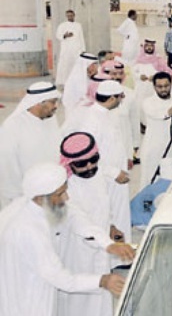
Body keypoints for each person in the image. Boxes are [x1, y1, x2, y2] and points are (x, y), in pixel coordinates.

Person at [0, 163, 134, 316]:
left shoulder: (31, 203)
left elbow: (76, 217)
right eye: (60, 193)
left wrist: (108, 244)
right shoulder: (29, 230)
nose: (66, 197)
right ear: (40, 197)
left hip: (36, 289)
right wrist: (103, 280)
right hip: (28, 301)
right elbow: (62, 278)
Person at [57, 132, 127, 316]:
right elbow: (79, 221)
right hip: (78, 251)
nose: (89, 166)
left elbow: (103, 205)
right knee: (81, 300)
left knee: (101, 298)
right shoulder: (66, 188)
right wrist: (108, 244)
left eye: (93, 159)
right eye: (81, 164)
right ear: (70, 164)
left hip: (102, 246)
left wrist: (111, 227)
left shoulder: (96, 175)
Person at [63, 80, 133, 242]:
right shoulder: (92, 120)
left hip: (116, 176)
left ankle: (122, 254)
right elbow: (86, 156)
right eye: (120, 97)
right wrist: (114, 172)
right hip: (105, 177)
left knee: (119, 213)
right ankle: (115, 256)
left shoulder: (105, 114)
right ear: (112, 98)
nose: (121, 100)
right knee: (110, 216)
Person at [0, 82, 62, 208]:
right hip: (25, 197)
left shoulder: (50, 119)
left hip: (52, 190)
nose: (56, 106)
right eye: (52, 102)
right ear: (38, 102)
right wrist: (17, 198)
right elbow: (8, 167)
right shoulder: (13, 127)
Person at [139, 72, 172, 190]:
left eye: (166, 85)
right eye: (160, 86)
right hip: (153, 149)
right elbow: (158, 114)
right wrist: (171, 112)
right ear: (154, 87)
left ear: (171, 85)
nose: (163, 89)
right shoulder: (148, 102)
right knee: (150, 182)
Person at [61, 52, 99, 117]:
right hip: (76, 113)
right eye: (92, 65)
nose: (95, 67)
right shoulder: (75, 79)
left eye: (95, 64)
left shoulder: (91, 77)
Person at [55, 10, 86, 87]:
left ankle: (77, 81)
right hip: (66, 49)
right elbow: (58, 36)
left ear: (74, 15)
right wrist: (65, 36)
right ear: (66, 16)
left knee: (77, 65)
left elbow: (81, 37)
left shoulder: (78, 25)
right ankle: (65, 81)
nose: (70, 17)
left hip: (77, 49)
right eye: (68, 16)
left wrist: (83, 49)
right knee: (65, 65)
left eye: (71, 15)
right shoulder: (62, 25)